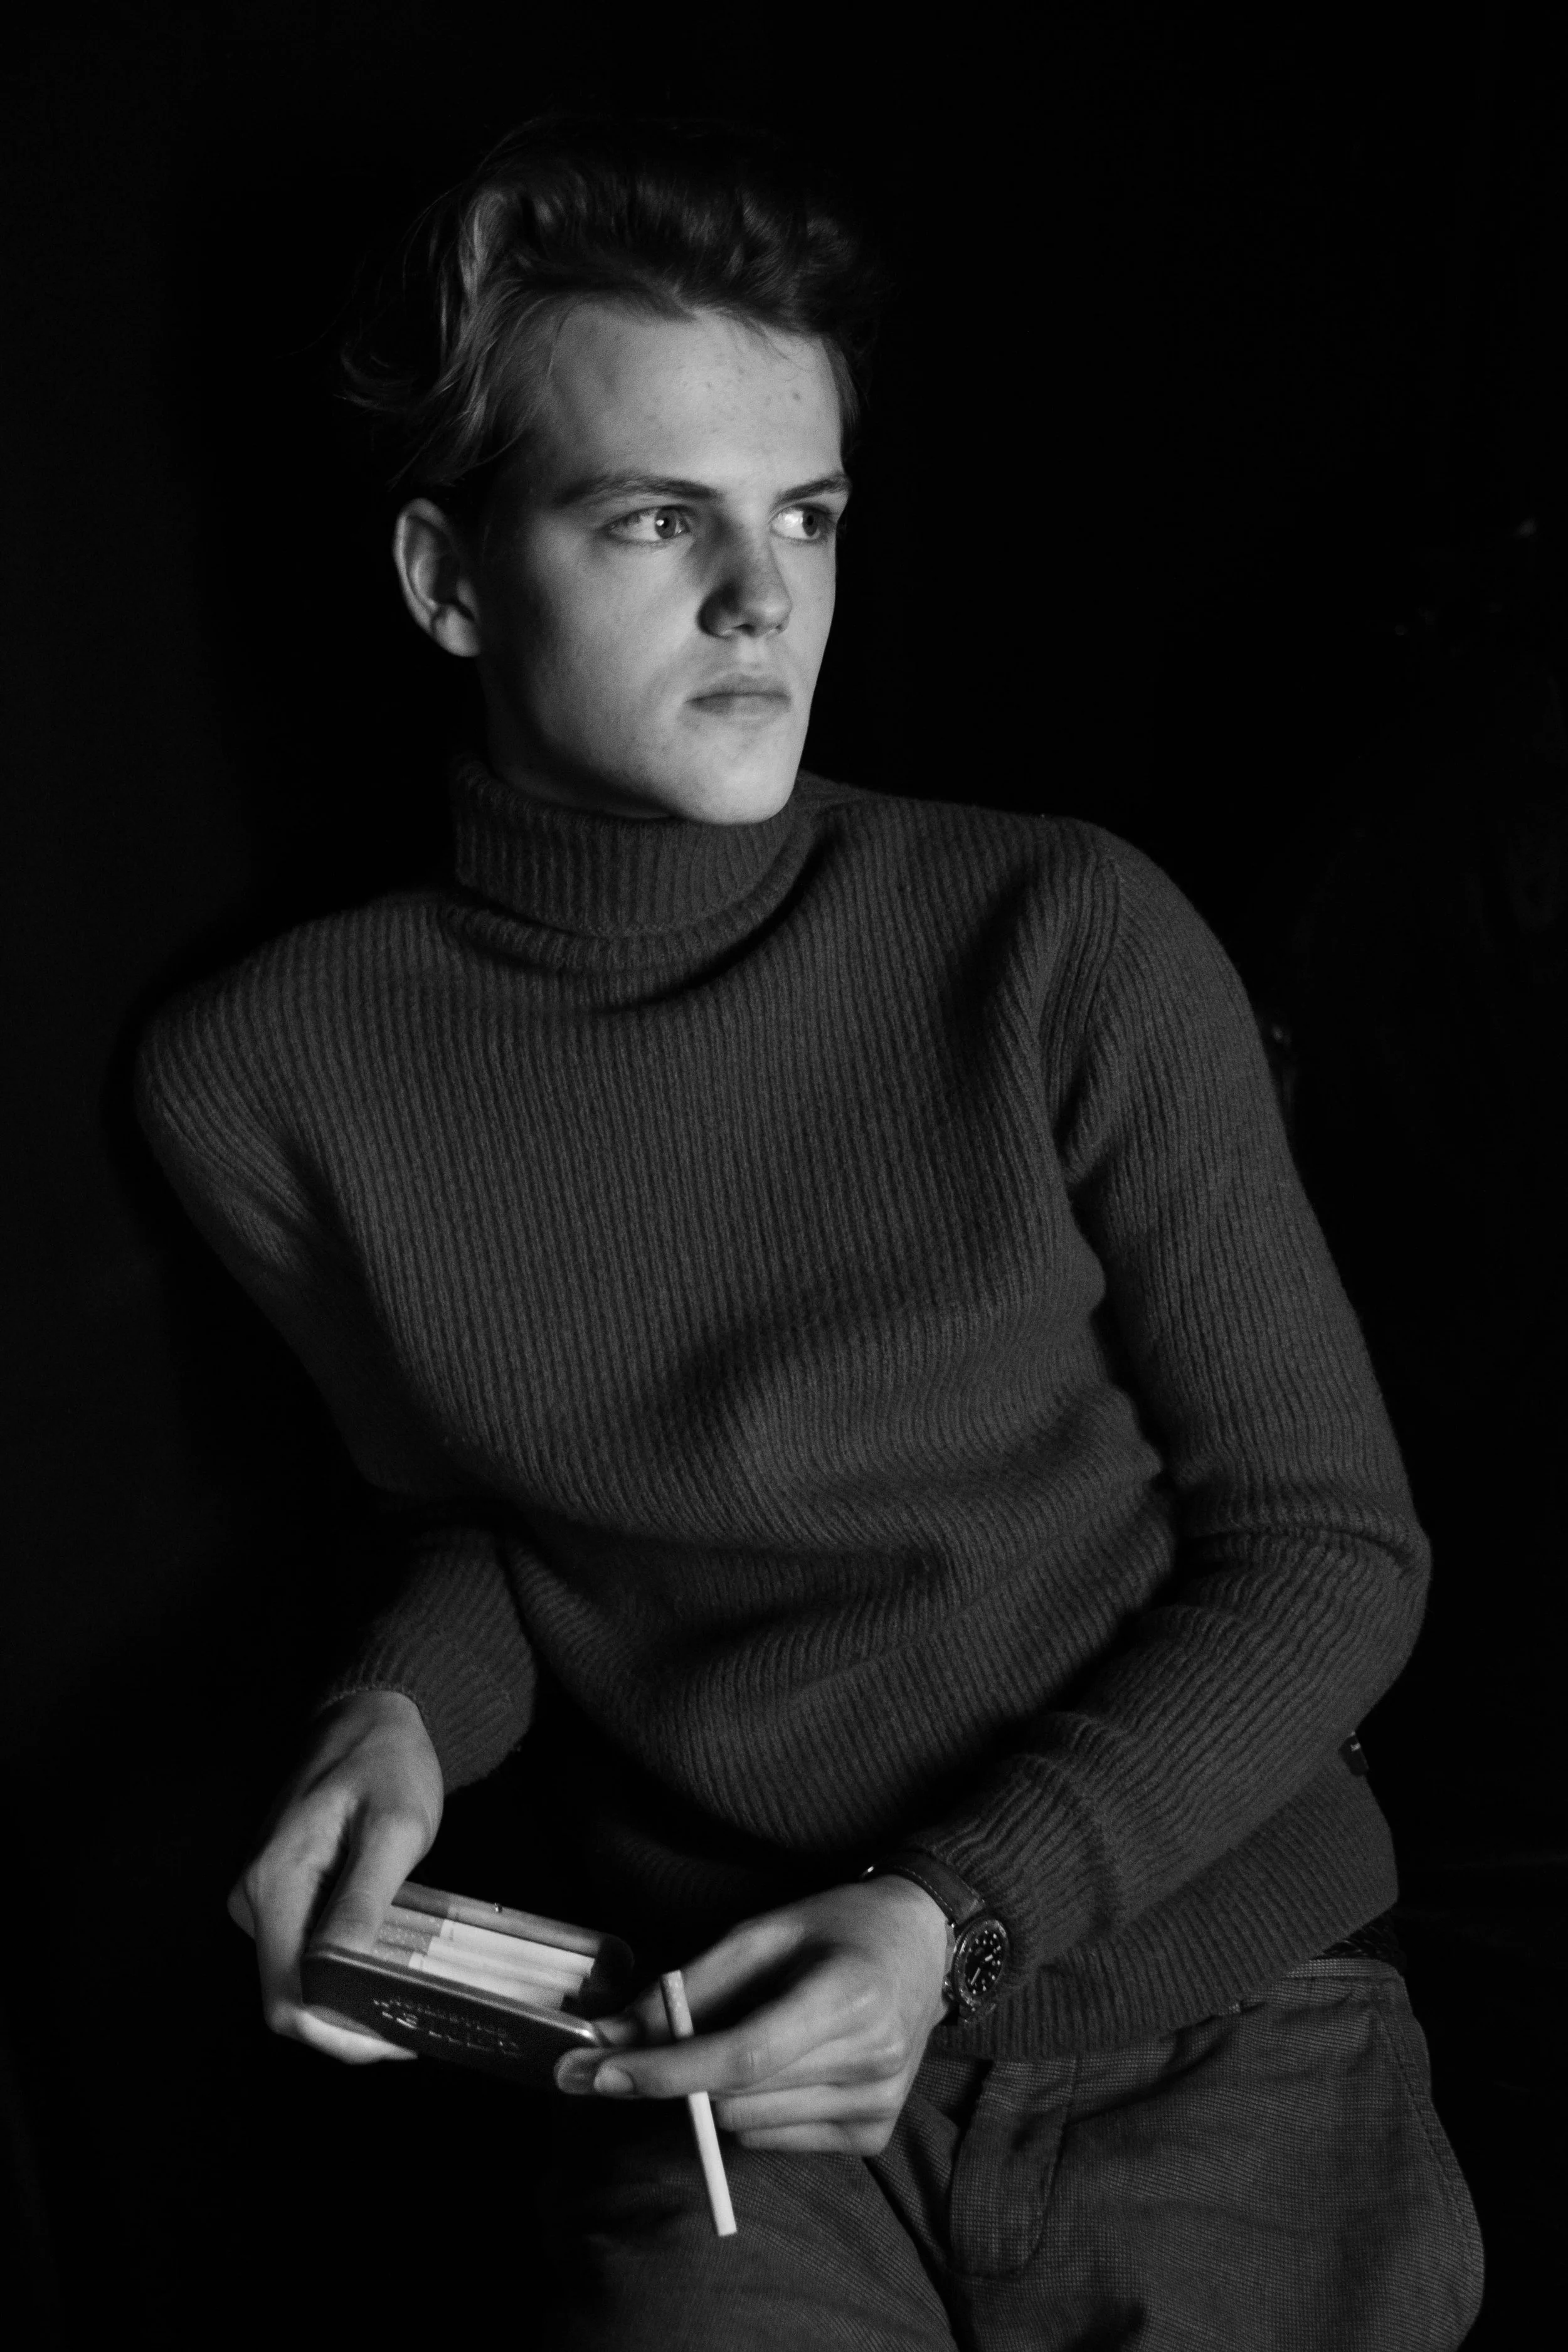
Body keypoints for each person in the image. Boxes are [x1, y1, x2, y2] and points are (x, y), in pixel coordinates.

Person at [135, 115, 1483, 2349]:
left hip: (1211, 2020)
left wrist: (949, 1914)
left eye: (809, 516)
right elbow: (494, 1517)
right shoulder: (268, 1074)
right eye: (657, 518)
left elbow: (1333, 1549)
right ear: (449, 582)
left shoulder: (1051, 932)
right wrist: (390, 1714)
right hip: (711, 2059)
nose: (766, 601)